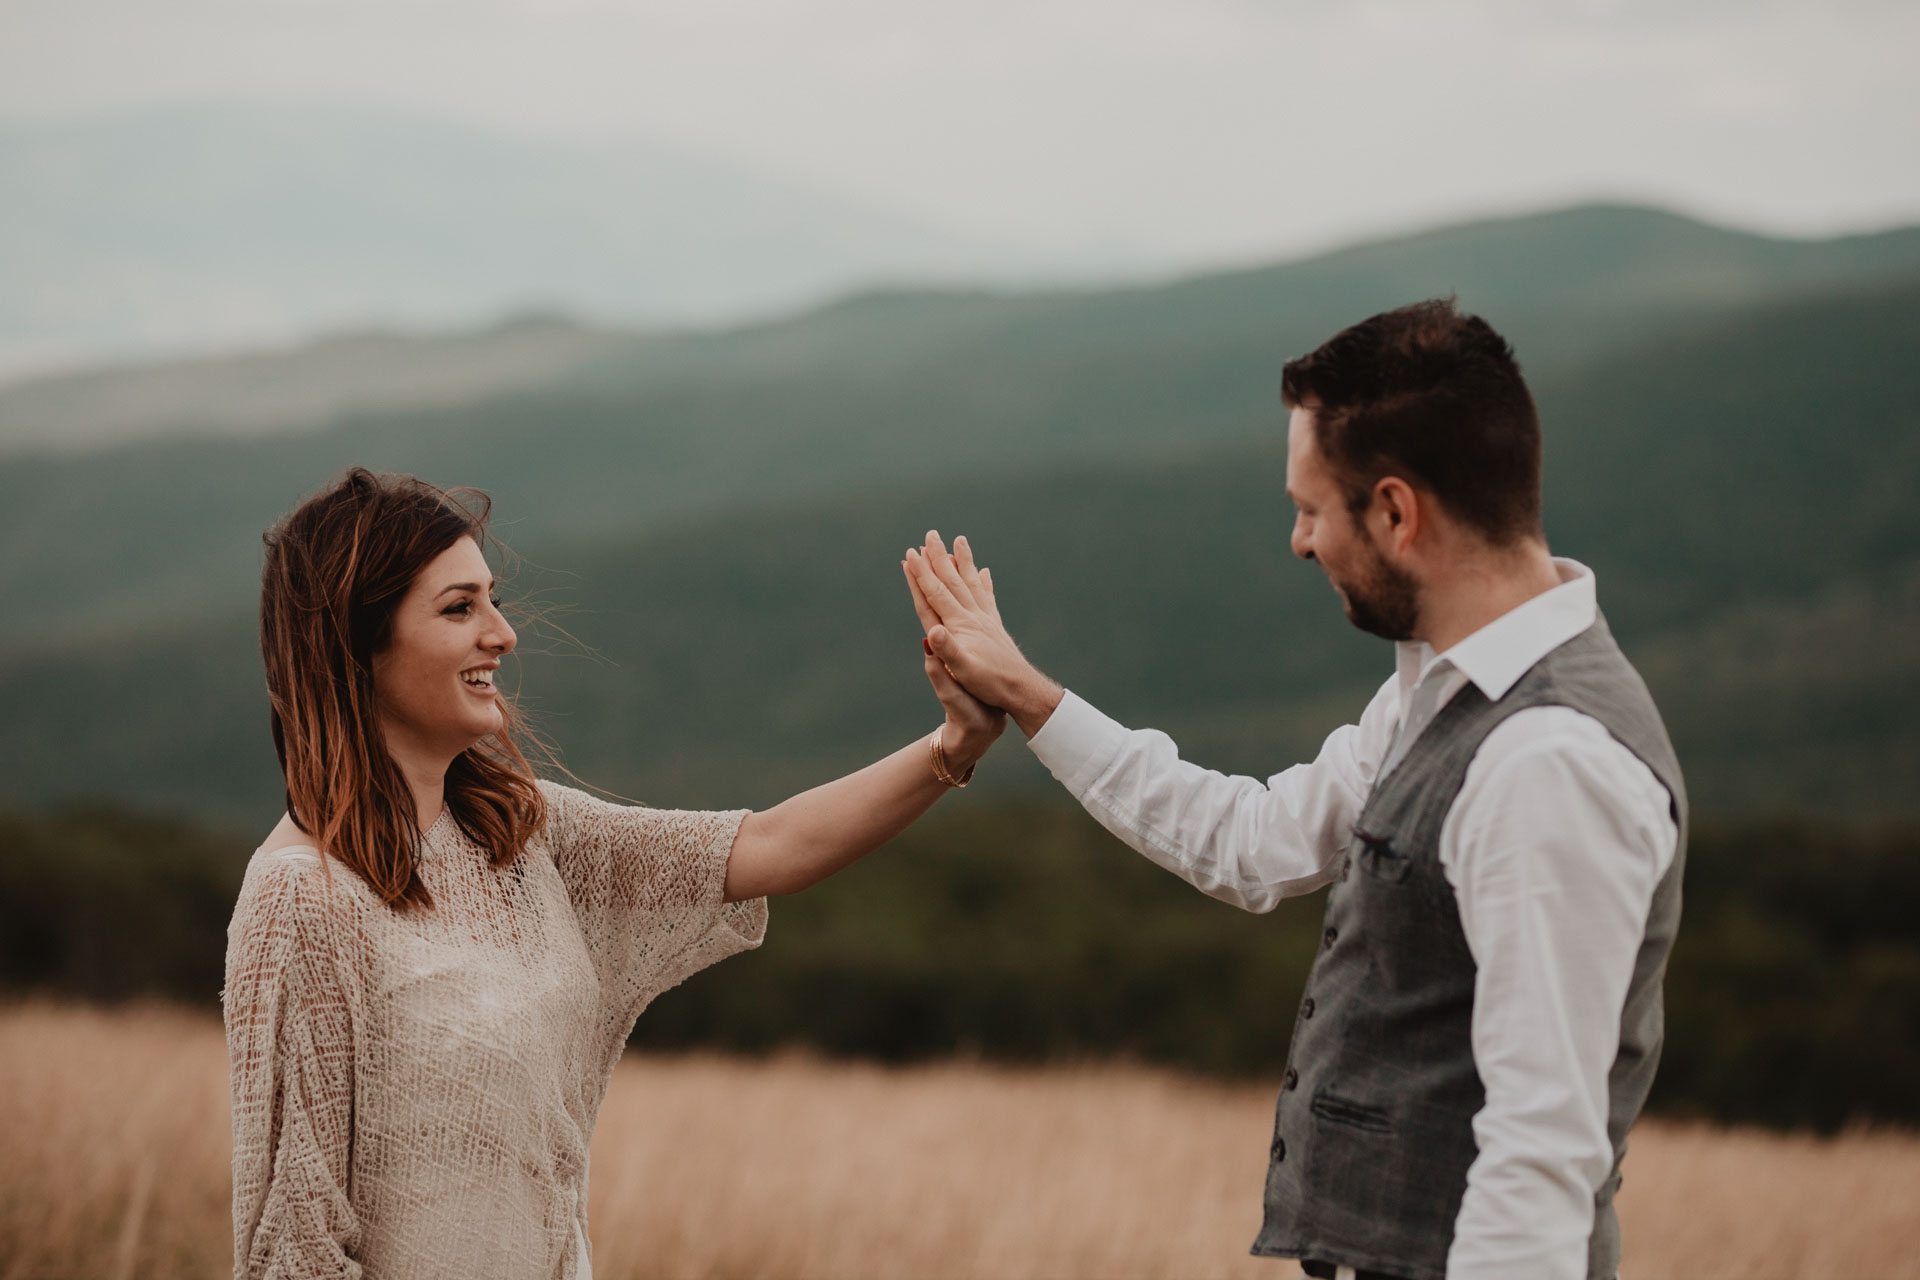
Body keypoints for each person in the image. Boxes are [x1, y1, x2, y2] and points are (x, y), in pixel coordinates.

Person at [902, 299, 1684, 1280]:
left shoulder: (1548, 764)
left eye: (1311, 507)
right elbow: (1252, 838)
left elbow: (1538, 1158)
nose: (1300, 540)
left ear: (1397, 512)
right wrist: (1030, 696)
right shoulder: (1436, 691)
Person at [225, 467, 1004, 1280]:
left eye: (492, 600)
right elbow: (294, 1248)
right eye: (459, 608)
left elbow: (768, 846)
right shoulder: (301, 901)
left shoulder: (518, 832)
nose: (502, 633)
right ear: (357, 643)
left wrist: (956, 744)